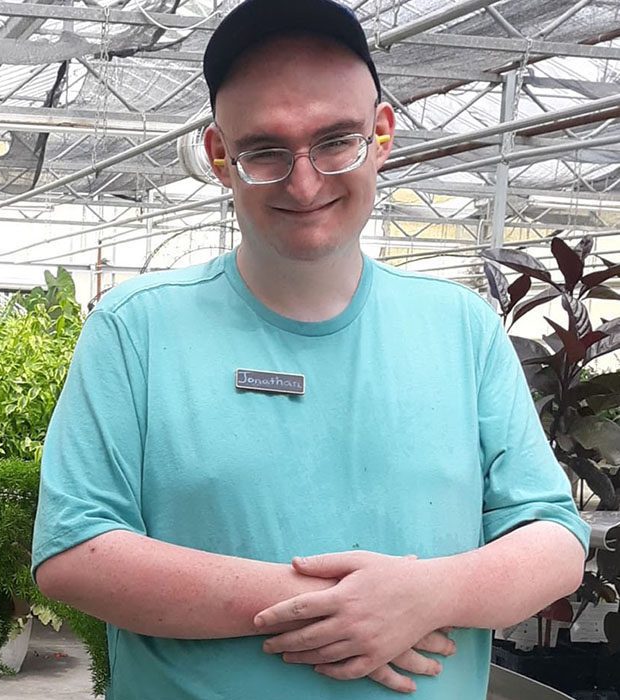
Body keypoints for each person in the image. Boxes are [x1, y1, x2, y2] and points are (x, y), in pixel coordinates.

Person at [32, 1, 590, 698]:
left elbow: (553, 538)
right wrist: (336, 607)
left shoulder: (461, 329)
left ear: (381, 135)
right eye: (265, 150)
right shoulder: (135, 329)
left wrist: (426, 594)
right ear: (218, 157)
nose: (304, 181)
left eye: (335, 141)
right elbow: (75, 550)